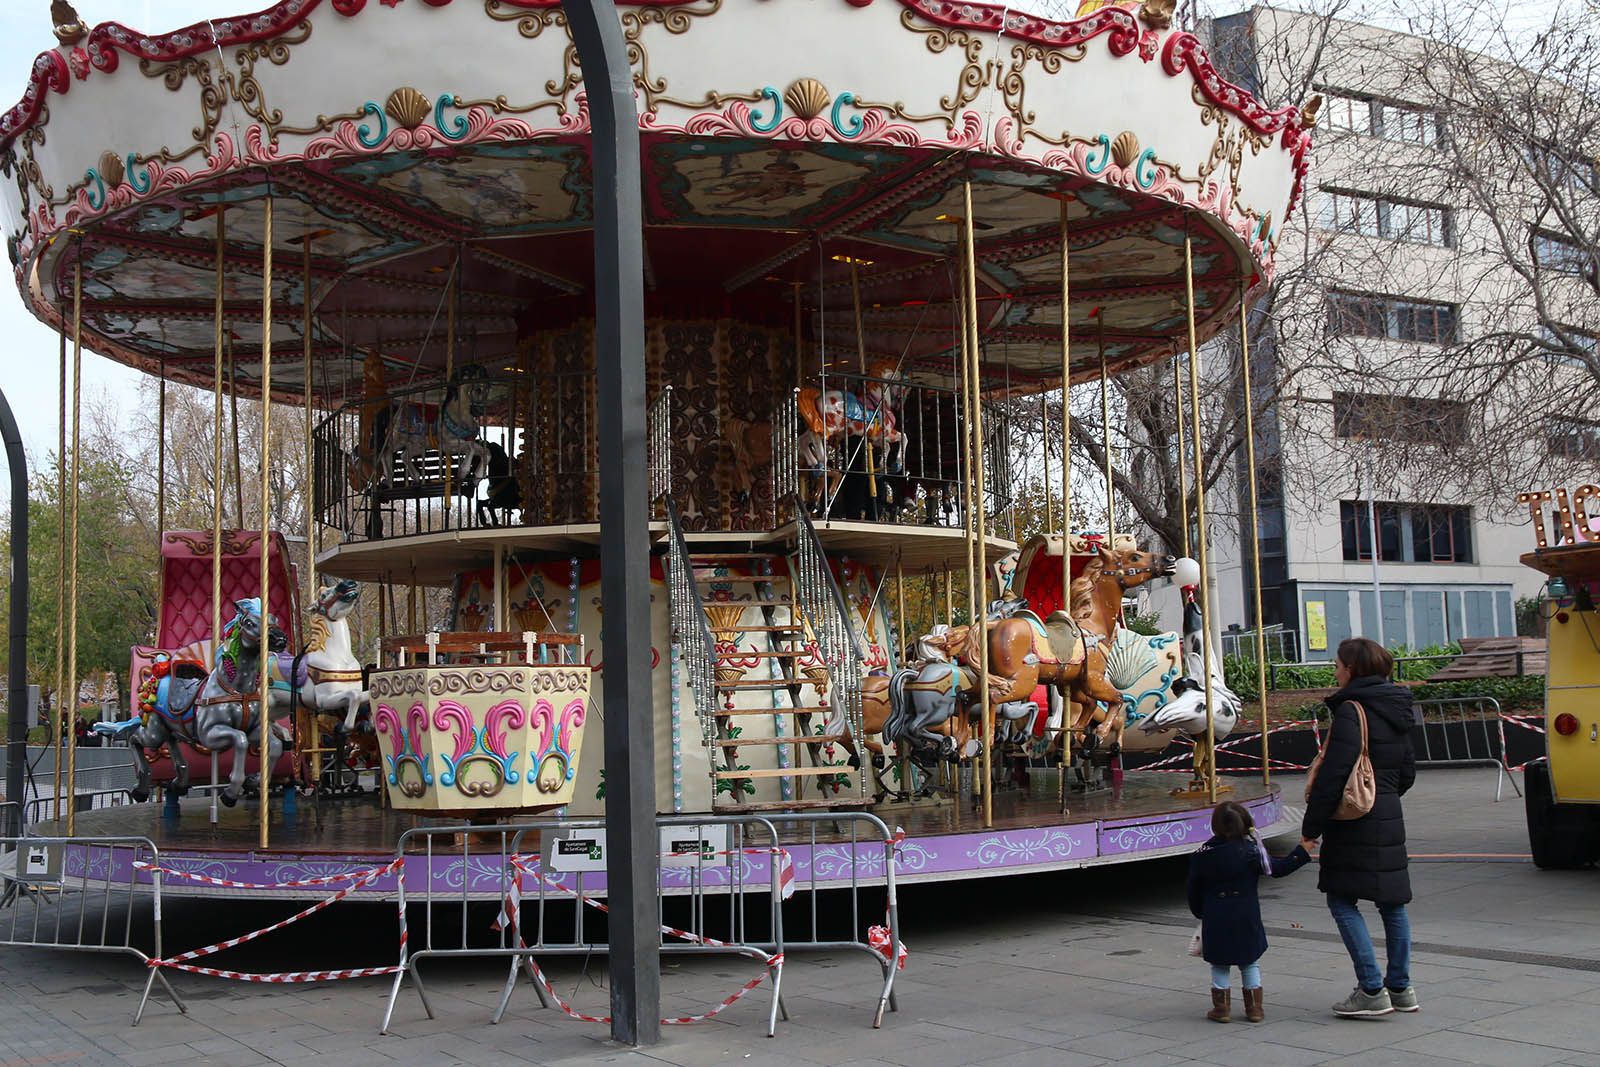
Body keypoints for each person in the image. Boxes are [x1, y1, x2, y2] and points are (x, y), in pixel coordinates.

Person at [1302, 636, 1419, 1018]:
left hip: (1354, 820)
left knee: (1341, 898)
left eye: (1337, 665)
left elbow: (1334, 776)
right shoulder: (1398, 707)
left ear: (1352, 669)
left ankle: (1371, 988)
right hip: (1389, 813)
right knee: (1392, 903)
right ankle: (1400, 988)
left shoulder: (1352, 711)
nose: (1334, 671)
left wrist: (1312, 827)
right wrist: (1384, 794)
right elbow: (1407, 771)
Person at [1187, 800, 1312, 1023]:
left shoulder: (1202, 854)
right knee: (1249, 961)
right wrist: (1301, 851)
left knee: (1220, 963)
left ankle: (1221, 1008)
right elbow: (1278, 869)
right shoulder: (1252, 851)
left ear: (1215, 826)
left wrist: (1201, 912)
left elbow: (1193, 889)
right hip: (1246, 915)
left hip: (1216, 916)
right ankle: (1254, 1009)